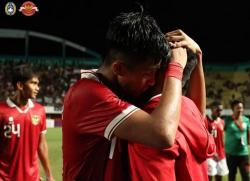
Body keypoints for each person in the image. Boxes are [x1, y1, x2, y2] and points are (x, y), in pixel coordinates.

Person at [62, 10, 188, 181]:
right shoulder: (89, 95)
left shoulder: (120, 88)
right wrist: (176, 68)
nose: (152, 81)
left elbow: (194, 116)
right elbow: (163, 134)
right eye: (148, 73)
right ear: (119, 69)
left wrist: (198, 56)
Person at [128, 29, 215, 181]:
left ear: (155, 70)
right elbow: (198, 108)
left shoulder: (150, 124)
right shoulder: (189, 107)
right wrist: (198, 56)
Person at [0, 66, 55, 181]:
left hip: (32, 178)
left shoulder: (40, 111)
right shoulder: (1, 111)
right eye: (33, 83)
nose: (37, 88)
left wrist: (49, 175)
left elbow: (42, 146)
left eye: (38, 84)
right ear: (20, 85)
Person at [224, 100, 250, 181]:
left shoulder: (246, 120)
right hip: (231, 154)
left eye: (241, 108)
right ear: (233, 109)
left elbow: (248, 134)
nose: (240, 110)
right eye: (238, 108)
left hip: (244, 154)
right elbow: (221, 132)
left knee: (246, 176)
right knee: (231, 176)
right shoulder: (227, 120)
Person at [206, 101, 229, 181]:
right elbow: (205, 139)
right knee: (209, 176)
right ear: (212, 109)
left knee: (219, 176)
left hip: (221, 154)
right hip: (210, 155)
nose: (220, 112)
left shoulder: (222, 122)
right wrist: (213, 152)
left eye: (221, 110)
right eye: (218, 110)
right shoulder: (206, 120)